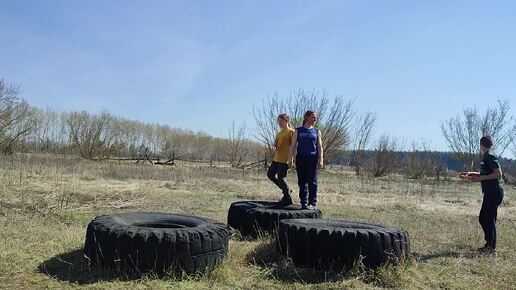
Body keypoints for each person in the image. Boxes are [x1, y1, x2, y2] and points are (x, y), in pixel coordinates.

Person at [460, 136, 504, 254]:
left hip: (494, 192)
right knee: (486, 218)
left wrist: (482, 178)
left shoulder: (490, 157)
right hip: (490, 192)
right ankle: (489, 244)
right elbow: (486, 173)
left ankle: (491, 247)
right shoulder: (486, 157)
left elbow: (498, 174)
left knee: (487, 219)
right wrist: (472, 174)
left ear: (481, 144)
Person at [288, 110, 324, 210]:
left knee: (312, 181)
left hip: (312, 158)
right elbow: (293, 145)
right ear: (307, 117)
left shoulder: (317, 131)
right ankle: (303, 202)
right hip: (301, 158)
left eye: (315, 117)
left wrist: (321, 160)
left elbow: (320, 146)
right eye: (313, 117)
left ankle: (312, 202)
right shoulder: (298, 130)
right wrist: (290, 158)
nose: (315, 119)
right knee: (302, 181)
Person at [267, 114, 295, 205]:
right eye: (278, 121)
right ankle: (287, 190)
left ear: (286, 121)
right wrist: (273, 148)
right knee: (270, 174)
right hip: (277, 158)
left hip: (285, 159)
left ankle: (287, 198)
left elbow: (294, 146)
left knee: (281, 178)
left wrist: (291, 158)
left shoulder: (291, 132)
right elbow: (275, 145)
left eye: (281, 121)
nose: (279, 123)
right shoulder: (278, 133)